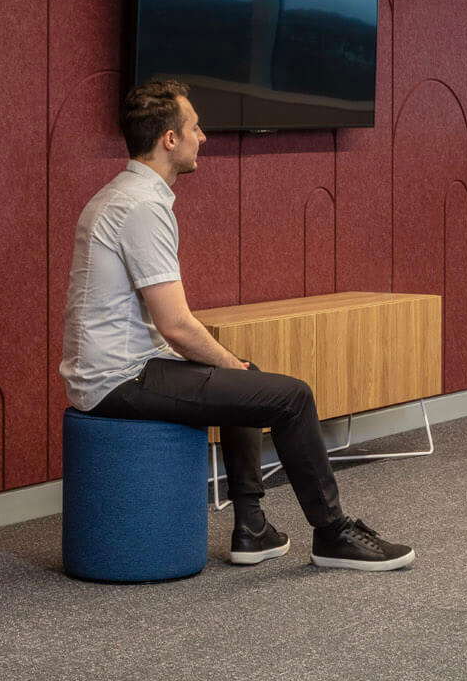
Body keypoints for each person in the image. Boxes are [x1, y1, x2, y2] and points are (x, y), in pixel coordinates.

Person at [60, 77, 414, 571]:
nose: (202, 137)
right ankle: (332, 532)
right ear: (169, 139)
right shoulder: (141, 207)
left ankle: (252, 528)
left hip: (116, 370)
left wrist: (235, 369)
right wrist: (233, 368)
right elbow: (177, 326)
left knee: (243, 376)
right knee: (290, 395)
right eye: (195, 128)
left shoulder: (123, 196)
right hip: (120, 379)